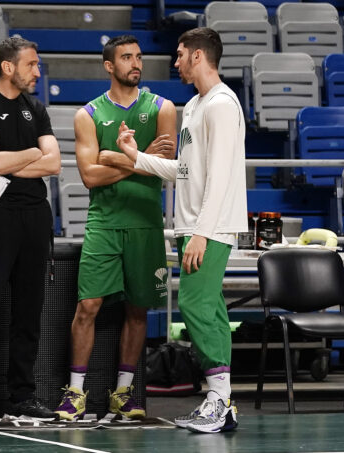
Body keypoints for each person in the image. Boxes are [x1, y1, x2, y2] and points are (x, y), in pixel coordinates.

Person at [115, 27, 247, 434]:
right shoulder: (193, 105)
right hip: (194, 226)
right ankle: (220, 402)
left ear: (198, 56)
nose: (175, 62)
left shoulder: (222, 104)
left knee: (195, 308)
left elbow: (222, 176)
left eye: (180, 54)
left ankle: (220, 402)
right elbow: (185, 171)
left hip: (212, 227)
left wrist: (203, 233)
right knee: (211, 311)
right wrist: (136, 158)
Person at [53, 35, 177, 421]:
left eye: (138, 57)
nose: (135, 63)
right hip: (104, 223)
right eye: (126, 57)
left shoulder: (164, 108)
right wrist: (137, 158)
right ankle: (75, 392)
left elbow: (167, 165)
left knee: (138, 311)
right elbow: (89, 176)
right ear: (109, 66)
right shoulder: (87, 115)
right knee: (88, 306)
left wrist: (115, 156)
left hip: (145, 222)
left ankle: (123, 393)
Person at [0, 37, 61, 423]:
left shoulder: (36, 108)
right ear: (8, 67)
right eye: (32, 65)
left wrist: (11, 160)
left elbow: (54, 165)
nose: (37, 71)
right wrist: (32, 153)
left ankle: (23, 396)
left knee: (29, 311)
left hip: (35, 215)